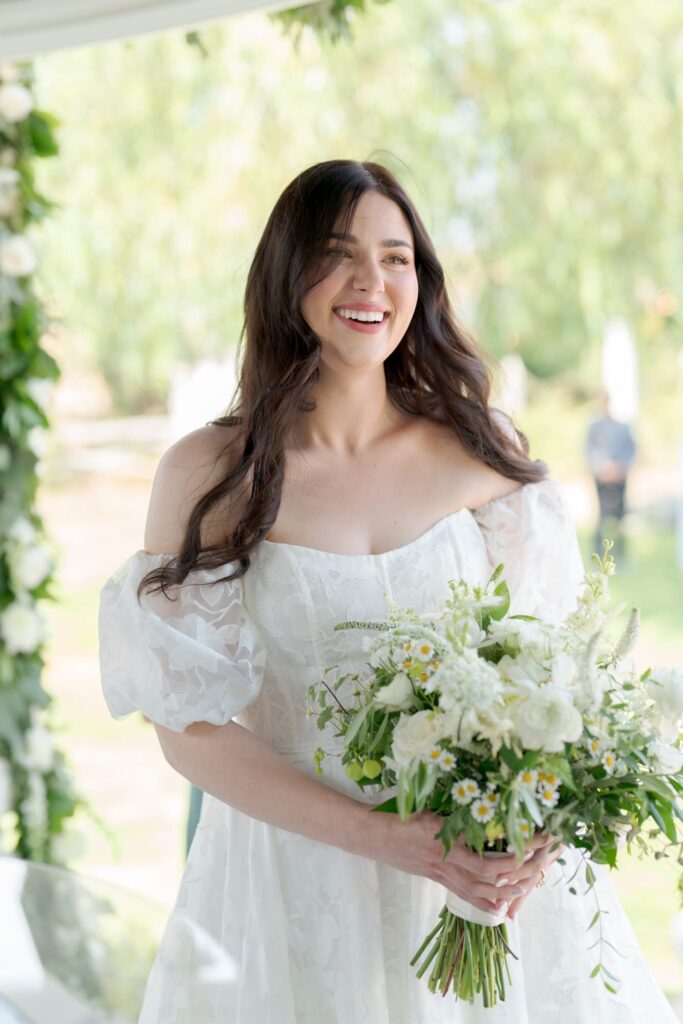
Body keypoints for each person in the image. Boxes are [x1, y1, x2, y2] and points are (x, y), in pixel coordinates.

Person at [98, 160, 676, 1023]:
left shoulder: (483, 452)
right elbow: (191, 732)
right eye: (340, 254)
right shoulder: (207, 475)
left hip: (484, 881)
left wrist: (537, 820)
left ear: (421, 280)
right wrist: (398, 843)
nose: (372, 282)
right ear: (288, 274)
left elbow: (556, 679)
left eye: (396, 257)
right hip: (294, 879)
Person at [585, 390, 637, 561]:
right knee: (601, 514)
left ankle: (621, 554)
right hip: (601, 475)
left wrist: (619, 468)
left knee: (621, 515)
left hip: (619, 475)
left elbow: (630, 450)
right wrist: (602, 467)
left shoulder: (623, 427)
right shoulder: (594, 427)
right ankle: (598, 553)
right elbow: (589, 451)